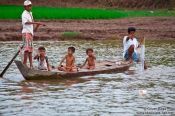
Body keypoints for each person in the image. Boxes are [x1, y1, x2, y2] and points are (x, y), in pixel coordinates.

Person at [22, 0, 45, 68]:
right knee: (26, 49)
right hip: (26, 33)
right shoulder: (24, 14)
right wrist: (36, 23)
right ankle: (25, 63)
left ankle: (31, 65)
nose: (30, 7)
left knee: (30, 50)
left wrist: (38, 25)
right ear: (25, 7)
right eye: (28, 6)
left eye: (30, 5)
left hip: (30, 33)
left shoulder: (30, 14)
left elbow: (32, 26)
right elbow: (26, 22)